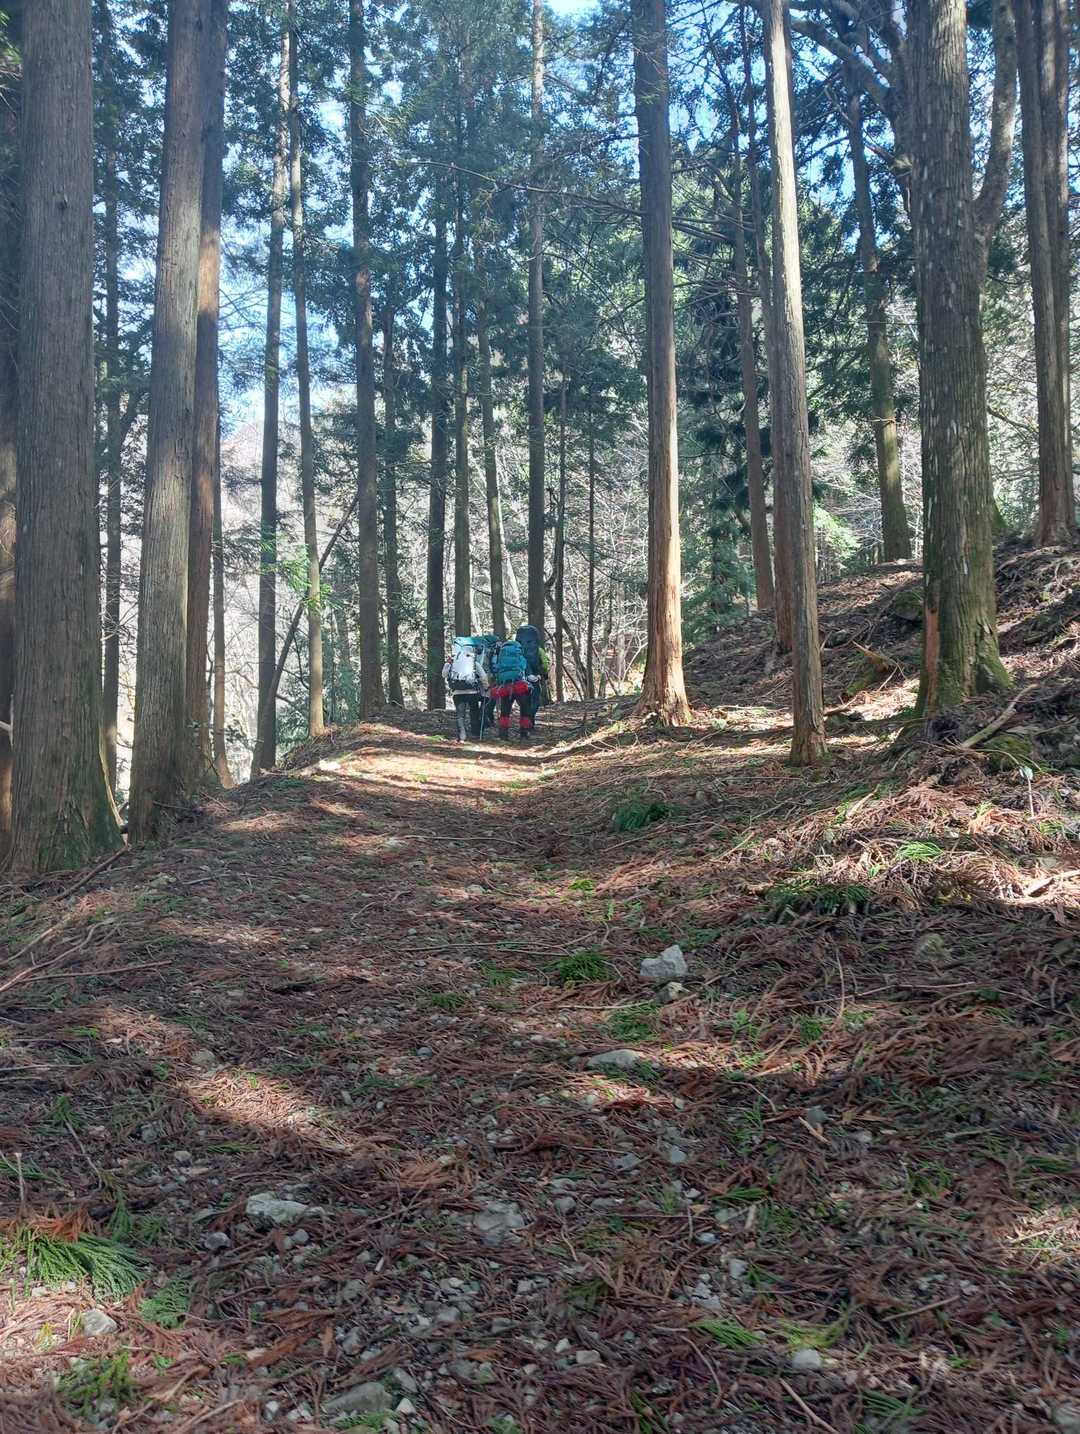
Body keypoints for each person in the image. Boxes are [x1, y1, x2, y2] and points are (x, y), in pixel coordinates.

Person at [442, 636, 490, 742]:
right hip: (472, 691)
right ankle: (475, 733)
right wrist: (486, 687)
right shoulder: (474, 662)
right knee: (474, 712)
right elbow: (483, 676)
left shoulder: (453, 662)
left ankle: (462, 736)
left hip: (457, 692)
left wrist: (448, 664)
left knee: (460, 715)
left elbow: (444, 675)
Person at [489, 635, 534, 740]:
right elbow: (525, 669)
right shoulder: (521, 657)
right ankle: (524, 733)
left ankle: (503, 734)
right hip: (520, 686)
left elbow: (496, 670)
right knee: (525, 709)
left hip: (505, 686)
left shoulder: (500, 658)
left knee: (505, 711)